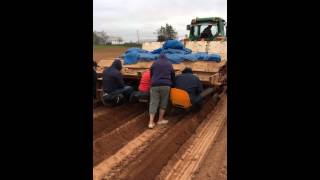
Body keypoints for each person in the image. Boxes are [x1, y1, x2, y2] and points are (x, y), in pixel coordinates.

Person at [148, 54, 175, 129]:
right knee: (163, 102)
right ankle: (160, 120)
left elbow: (151, 73)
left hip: (154, 85)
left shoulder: (155, 63)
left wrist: (153, 80)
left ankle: (151, 122)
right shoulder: (169, 63)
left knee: (153, 102)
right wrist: (172, 82)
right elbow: (172, 74)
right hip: (165, 85)